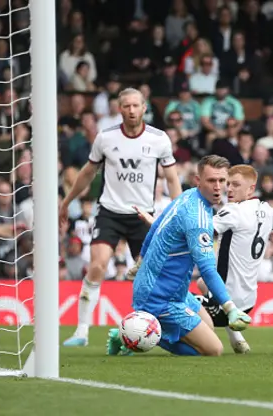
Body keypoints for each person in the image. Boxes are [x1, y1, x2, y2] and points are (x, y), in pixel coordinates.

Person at [134, 164, 273, 354]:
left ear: (250, 189)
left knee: (177, 307)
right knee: (203, 283)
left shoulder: (232, 212)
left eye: (235, 185)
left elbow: (194, 229)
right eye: (228, 184)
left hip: (225, 304)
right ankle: (236, 336)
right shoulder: (266, 210)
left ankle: (142, 333)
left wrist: (155, 223)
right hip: (249, 302)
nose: (229, 189)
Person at [59, 88, 183, 347]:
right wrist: (67, 201)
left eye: (135, 105)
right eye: (126, 105)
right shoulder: (105, 138)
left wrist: (179, 209)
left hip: (143, 216)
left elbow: (171, 178)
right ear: (119, 108)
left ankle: (141, 332)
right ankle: (81, 331)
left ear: (144, 107)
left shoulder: (159, 139)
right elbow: (87, 172)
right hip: (110, 212)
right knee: (98, 265)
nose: (131, 110)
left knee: (147, 278)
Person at [106, 155, 252, 356]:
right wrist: (230, 308)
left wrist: (140, 260)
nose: (218, 187)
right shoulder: (197, 218)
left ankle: (136, 331)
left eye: (222, 181)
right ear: (198, 181)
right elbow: (208, 269)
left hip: (174, 291)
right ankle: (132, 336)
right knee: (213, 350)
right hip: (159, 297)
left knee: (208, 326)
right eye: (211, 181)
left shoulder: (188, 196)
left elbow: (156, 226)